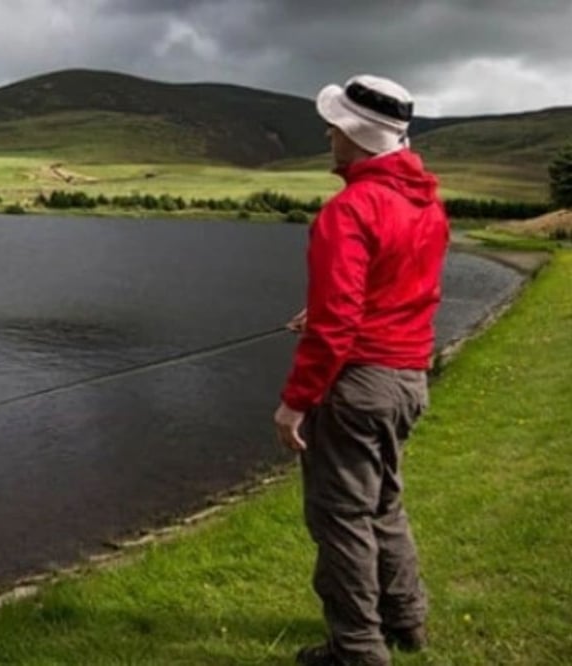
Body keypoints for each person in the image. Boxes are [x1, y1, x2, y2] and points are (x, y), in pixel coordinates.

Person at [273, 75, 450, 666]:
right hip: (408, 379)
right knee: (383, 506)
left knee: (341, 518)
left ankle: (357, 650)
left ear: (354, 135)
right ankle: (407, 621)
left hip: (356, 387)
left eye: (335, 125)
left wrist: (295, 401)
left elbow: (339, 325)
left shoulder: (349, 210)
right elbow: (402, 287)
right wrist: (326, 308)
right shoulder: (425, 203)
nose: (328, 134)